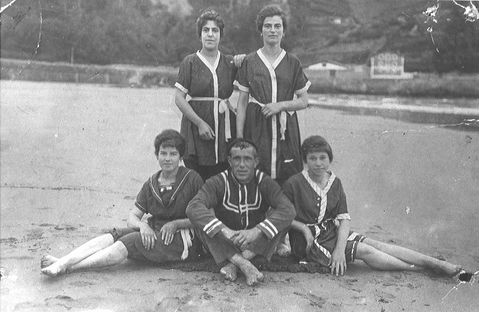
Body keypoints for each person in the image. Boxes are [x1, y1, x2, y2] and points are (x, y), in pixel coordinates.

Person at [283, 135, 474, 281]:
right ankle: (420, 269)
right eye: (312, 158)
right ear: (305, 161)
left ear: (329, 159)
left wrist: (340, 249)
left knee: (379, 245)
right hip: (308, 242)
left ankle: (434, 262)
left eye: (322, 158)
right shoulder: (294, 183)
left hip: (330, 232)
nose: (318, 163)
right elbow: (280, 215)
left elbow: (344, 218)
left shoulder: (335, 182)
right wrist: (302, 229)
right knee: (365, 251)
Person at [41, 130, 204, 277]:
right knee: (116, 233)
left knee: (130, 241)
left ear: (181, 157)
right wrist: (142, 226)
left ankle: (68, 267)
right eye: (163, 153)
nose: (167, 159)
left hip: (181, 240)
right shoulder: (152, 183)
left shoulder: (192, 179)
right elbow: (133, 216)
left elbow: (205, 216)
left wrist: (176, 223)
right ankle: (64, 261)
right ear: (157, 155)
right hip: (155, 231)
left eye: (173, 154)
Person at [186, 138, 296, 286]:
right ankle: (245, 265)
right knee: (201, 225)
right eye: (237, 159)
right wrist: (225, 230)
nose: (242, 165)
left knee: (281, 221)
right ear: (230, 161)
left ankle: (234, 264)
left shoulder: (264, 181)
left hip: (255, 243)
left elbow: (288, 210)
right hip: (225, 240)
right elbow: (193, 207)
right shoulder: (218, 181)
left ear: (256, 161)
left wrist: (256, 231)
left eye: (247, 159)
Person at [236, 4, 311, 187]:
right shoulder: (250, 61)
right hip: (257, 126)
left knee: (287, 178)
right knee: (256, 177)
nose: (272, 30)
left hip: (286, 129)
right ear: (260, 30)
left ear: (283, 31)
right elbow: (242, 103)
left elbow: (304, 101)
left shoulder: (292, 62)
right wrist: (239, 137)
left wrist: (280, 105)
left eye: (277, 26)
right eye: (268, 26)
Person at [175, 9, 244, 181]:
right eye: (206, 30)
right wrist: (200, 124)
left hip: (224, 129)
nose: (210, 35)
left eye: (215, 30)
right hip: (196, 129)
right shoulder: (190, 62)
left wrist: (242, 61)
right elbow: (178, 98)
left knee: (222, 177)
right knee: (197, 179)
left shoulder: (229, 62)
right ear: (200, 35)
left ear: (221, 35)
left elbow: (250, 79)